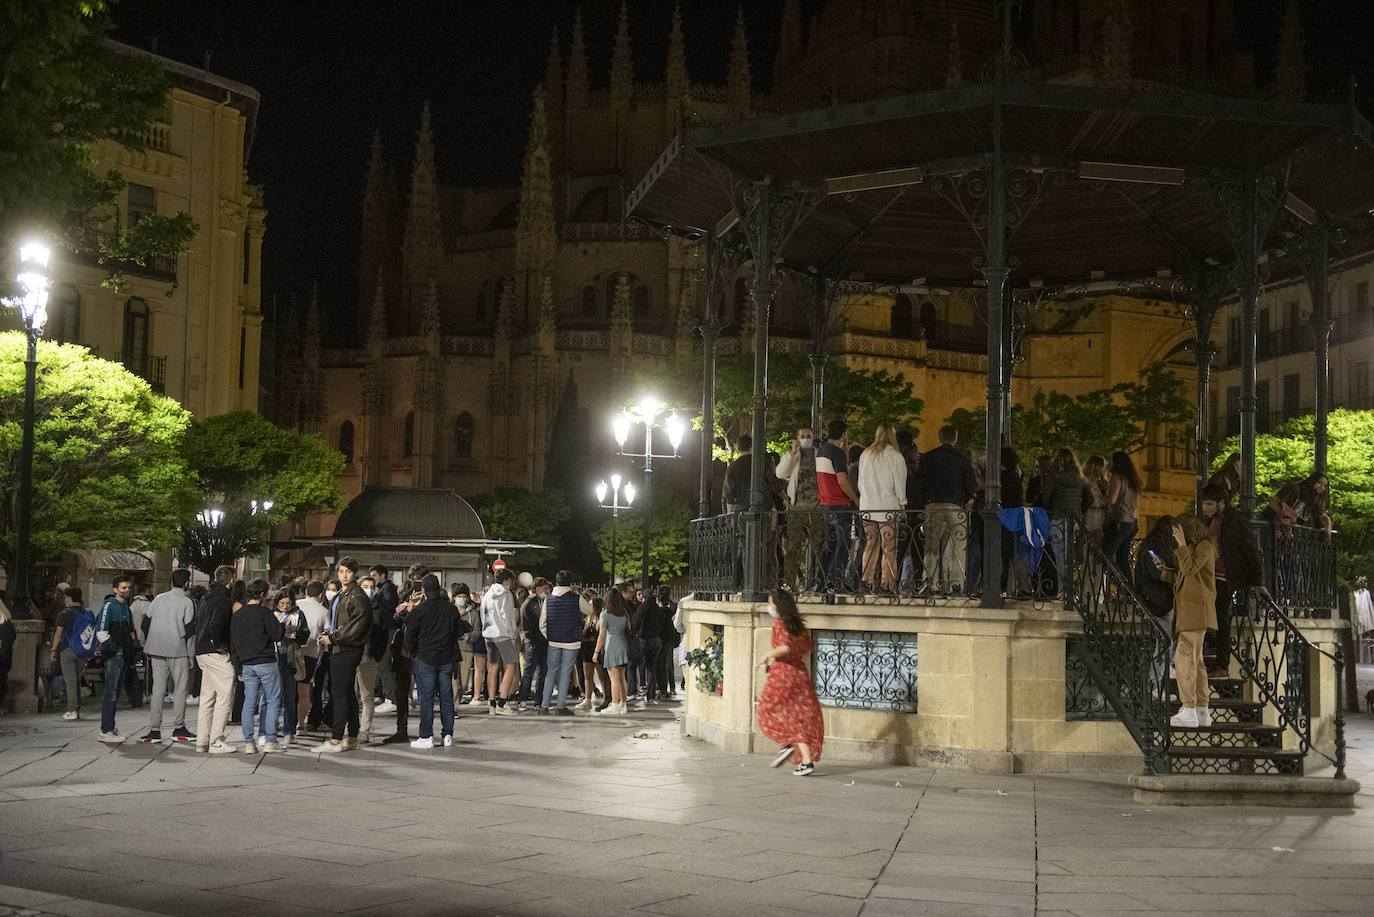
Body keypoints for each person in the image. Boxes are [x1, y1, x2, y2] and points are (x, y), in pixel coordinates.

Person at [1200, 484, 1269, 679]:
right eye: (1204, 503)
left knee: (1222, 618)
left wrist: (1257, 581)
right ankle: (1211, 655)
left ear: (1221, 503)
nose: (1205, 508)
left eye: (1209, 503)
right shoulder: (1211, 520)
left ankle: (1222, 664)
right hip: (1209, 576)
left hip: (1224, 577)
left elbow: (1250, 550)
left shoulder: (1236, 520)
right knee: (1208, 616)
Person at [755, 590, 824, 777]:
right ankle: (807, 762)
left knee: (766, 708)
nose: (769, 607)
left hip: (784, 673)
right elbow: (804, 648)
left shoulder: (781, 623)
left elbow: (785, 647)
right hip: (799, 673)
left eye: (771, 603)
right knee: (797, 716)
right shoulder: (798, 624)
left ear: (778, 605)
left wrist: (767, 656)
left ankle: (787, 743)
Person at [1159, 515, 1218, 730]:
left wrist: (1182, 545)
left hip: (1195, 612)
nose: (1175, 537)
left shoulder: (1204, 546)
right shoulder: (1196, 547)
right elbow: (1188, 576)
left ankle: (1188, 708)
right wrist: (1166, 573)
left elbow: (1191, 569)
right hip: (1192, 612)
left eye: (1177, 532)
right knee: (1197, 661)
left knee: (1183, 658)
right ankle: (1201, 709)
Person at [313, 556, 371, 753]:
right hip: (340, 646)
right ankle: (352, 736)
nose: (344, 575)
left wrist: (335, 638)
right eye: (341, 572)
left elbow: (357, 625)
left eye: (348, 571)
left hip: (347, 648)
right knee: (346, 692)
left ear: (354, 573)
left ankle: (337, 738)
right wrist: (329, 635)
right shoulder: (342, 593)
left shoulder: (358, 595)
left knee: (338, 691)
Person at [913, 424, 977, 595]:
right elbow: (972, 487)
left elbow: (919, 484)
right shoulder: (961, 459)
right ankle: (955, 583)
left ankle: (930, 582)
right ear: (955, 440)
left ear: (939, 438)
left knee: (931, 546)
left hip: (932, 505)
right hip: (955, 507)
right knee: (957, 546)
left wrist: (922, 505)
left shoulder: (928, 458)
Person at [142, 569, 198, 744]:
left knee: (158, 689)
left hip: (156, 649)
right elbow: (190, 632)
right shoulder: (187, 602)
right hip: (178, 650)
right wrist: (191, 656)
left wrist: (147, 643)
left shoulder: (158, 599)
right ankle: (179, 726)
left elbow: (145, 623)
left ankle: (155, 730)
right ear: (187, 583)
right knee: (180, 689)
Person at [405, 574, 461, 748]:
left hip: (425, 657)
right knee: (446, 697)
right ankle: (448, 735)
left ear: (423, 590)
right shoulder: (450, 609)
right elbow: (458, 632)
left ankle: (426, 736)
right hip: (446, 658)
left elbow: (409, 636)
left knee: (426, 698)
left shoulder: (419, 610)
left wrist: (413, 651)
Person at [230, 579, 284, 753]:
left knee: (249, 703)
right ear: (262, 594)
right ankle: (270, 741)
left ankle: (248, 743)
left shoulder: (238, 615)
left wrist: (238, 667)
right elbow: (276, 635)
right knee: (273, 701)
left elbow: (234, 644)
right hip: (266, 662)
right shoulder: (265, 613)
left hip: (247, 664)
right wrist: (282, 625)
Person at [857, 423, 908, 594]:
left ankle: (866, 580)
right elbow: (900, 485)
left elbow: (860, 482)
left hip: (868, 507)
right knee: (889, 548)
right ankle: (887, 584)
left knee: (870, 544)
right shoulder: (895, 456)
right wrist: (902, 505)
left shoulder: (865, 455)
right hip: (887, 507)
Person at [1133, 516, 1178, 700]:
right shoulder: (1157, 546)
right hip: (1158, 599)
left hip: (1155, 597)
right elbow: (1157, 572)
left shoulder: (1152, 544)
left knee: (1166, 640)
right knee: (1164, 641)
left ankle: (1161, 680)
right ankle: (1155, 684)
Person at [194, 566, 237, 754]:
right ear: (231, 580)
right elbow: (216, 623)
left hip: (201, 651)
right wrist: (219, 644)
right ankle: (217, 740)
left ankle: (202, 740)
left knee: (207, 697)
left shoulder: (207, 596)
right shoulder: (223, 599)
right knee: (226, 694)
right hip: (214, 652)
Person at [776, 426, 824, 590]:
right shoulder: (793, 456)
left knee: (821, 546)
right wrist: (792, 453)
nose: (805, 438)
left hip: (817, 507)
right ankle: (789, 583)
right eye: (802, 436)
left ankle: (819, 582)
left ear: (813, 436)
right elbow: (780, 473)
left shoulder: (819, 454)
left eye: (808, 436)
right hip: (796, 507)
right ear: (797, 437)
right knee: (793, 546)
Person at [817, 419, 861, 595]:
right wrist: (856, 500)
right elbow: (842, 480)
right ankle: (835, 583)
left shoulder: (821, 451)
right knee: (843, 546)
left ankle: (821, 582)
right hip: (839, 504)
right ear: (843, 434)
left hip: (825, 504)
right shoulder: (837, 453)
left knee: (829, 546)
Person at [1039, 446, 1087, 593]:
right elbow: (1086, 498)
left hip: (1059, 519)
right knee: (1072, 557)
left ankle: (1063, 591)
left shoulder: (1054, 476)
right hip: (1076, 520)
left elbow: (1045, 498)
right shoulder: (1079, 477)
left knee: (1060, 557)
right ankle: (1073, 591)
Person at [541, 570, 590, 715]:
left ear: (556, 582)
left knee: (551, 672)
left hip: (554, 641)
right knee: (565, 672)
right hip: (572, 641)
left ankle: (544, 705)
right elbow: (590, 610)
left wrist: (549, 636)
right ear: (571, 583)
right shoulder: (577, 598)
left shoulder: (548, 599)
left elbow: (542, 623)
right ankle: (560, 706)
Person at [95, 575, 136, 743]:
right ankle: (106, 729)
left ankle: (109, 728)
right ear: (115, 589)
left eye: (128, 587)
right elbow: (101, 631)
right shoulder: (110, 606)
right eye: (123, 588)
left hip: (121, 654)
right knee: (111, 693)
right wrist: (116, 649)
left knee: (114, 693)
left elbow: (129, 632)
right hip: (115, 655)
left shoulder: (125, 608)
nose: (126, 590)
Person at [272, 588, 311, 745]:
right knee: (273, 695)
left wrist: (293, 631)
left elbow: (304, 634)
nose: (285, 606)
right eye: (282, 603)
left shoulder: (298, 614)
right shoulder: (272, 614)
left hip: (291, 656)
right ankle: (271, 728)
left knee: (289, 695)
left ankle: (289, 730)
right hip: (274, 656)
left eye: (288, 603)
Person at [49, 587, 94, 720]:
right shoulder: (88, 613)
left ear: (68, 598)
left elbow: (58, 634)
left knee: (70, 681)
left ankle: (72, 710)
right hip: (83, 651)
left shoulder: (65, 613)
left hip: (68, 650)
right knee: (77, 681)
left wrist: (53, 650)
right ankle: (76, 709)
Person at [480, 568, 520, 715]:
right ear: (506, 580)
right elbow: (507, 616)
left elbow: (482, 613)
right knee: (511, 666)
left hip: (488, 634)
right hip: (503, 634)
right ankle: (502, 703)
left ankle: (492, 703)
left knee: (492, 668)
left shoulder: (487, 594)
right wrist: (513, 634)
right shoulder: (506, 594)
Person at [294, 580, 330, 741]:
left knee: (289, 690)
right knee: (304, 691)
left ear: (306, 591)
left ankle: (289, 721)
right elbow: (327, 634)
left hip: (291, 652)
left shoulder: (295, 604)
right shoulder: (324, 611)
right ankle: (301, 724)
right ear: (321, 595)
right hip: (310, 655)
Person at [1101, 451, 1142, 581]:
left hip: (1121, 523)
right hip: (1132, 523)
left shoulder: (1117, 477)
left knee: (1104, 555)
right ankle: (1130, 593)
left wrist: (1100, 497)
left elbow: (1112, 500)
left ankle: (1119, 583)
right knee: (1122, 559)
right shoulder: (1131, 479)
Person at [369, 563, 401, 715]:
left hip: (387, 631)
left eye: (375, 575)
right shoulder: (385, 588)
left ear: (382, 575)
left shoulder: (387, 589)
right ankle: (385, 695)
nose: (373, 578)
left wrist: (376, 599)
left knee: (383, 663)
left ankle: (391, 698)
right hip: (384, 630)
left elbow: (389, 605)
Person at [594, 586, 632, 715]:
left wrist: (596, 651)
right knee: (622, 677)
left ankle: (615, 705)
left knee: (613, 677)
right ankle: (623, 704)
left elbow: (602, 635)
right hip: (622, 644)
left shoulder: (605, 614)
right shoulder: (624, 613)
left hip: (611, 645)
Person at [353, 574, 380, 743]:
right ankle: (351, 726)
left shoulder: (377, 608)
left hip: (368, 656)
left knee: (367, 695)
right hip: (352, 654)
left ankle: (364, 729)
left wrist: (376, 653)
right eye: (365, 586)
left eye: (372, 587)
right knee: (351, 693)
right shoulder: (353, 605)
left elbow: (380, 632)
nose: (369, 590)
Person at [518, 577, 550, 710]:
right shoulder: (530, 603)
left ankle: (539, 700)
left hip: (543, 641)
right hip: (533, 642)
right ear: (537, 589)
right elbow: (528, 625)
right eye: (545, 589)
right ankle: (522, 699)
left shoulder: (540, 601)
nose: (547, 591)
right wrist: (530, 640)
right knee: (529, 672)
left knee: (542, 672)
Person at [578, 590, 605, 711]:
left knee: (601, 676)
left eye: (591, 605)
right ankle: (587, 699)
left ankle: (606, 697)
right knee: (587, 676)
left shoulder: (601, 620)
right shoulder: (586, 620)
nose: (589, 607)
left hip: (597, 649)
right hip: (587, 649)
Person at [1081, 455, 1109, 544]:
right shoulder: (1084, 482)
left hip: (1101, 515)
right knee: (1090, 543)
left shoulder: (1101, 483)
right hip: (1090, 515)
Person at [0, 601, 13, 715]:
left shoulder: (7, 625)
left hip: (2, 659)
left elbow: (7, 645)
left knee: (2, 683)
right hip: (3, 658)